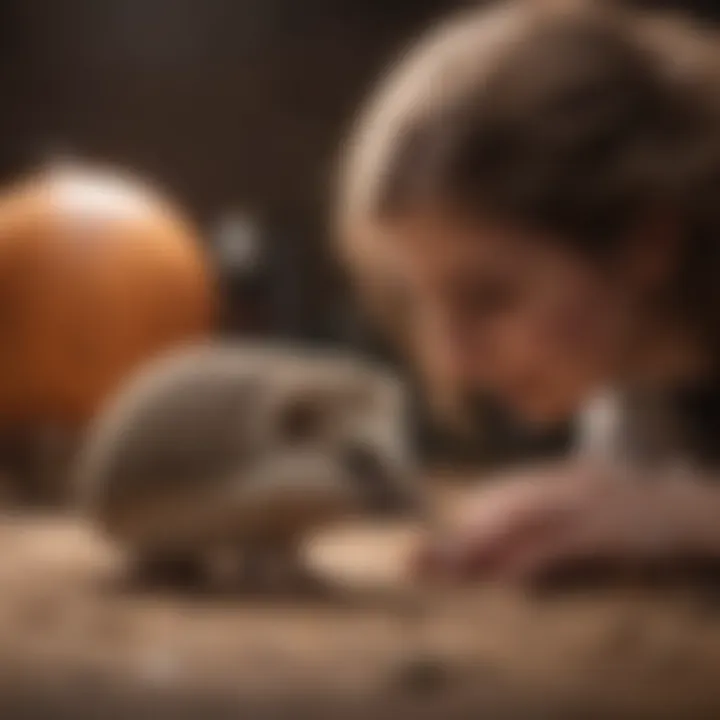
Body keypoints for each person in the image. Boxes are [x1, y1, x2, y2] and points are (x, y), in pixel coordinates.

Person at [335, 0, 720, 584]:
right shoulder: (641, 390)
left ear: (648, 243)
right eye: (423, 302)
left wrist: (688, 517)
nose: (453, 362)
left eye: (489, 298)